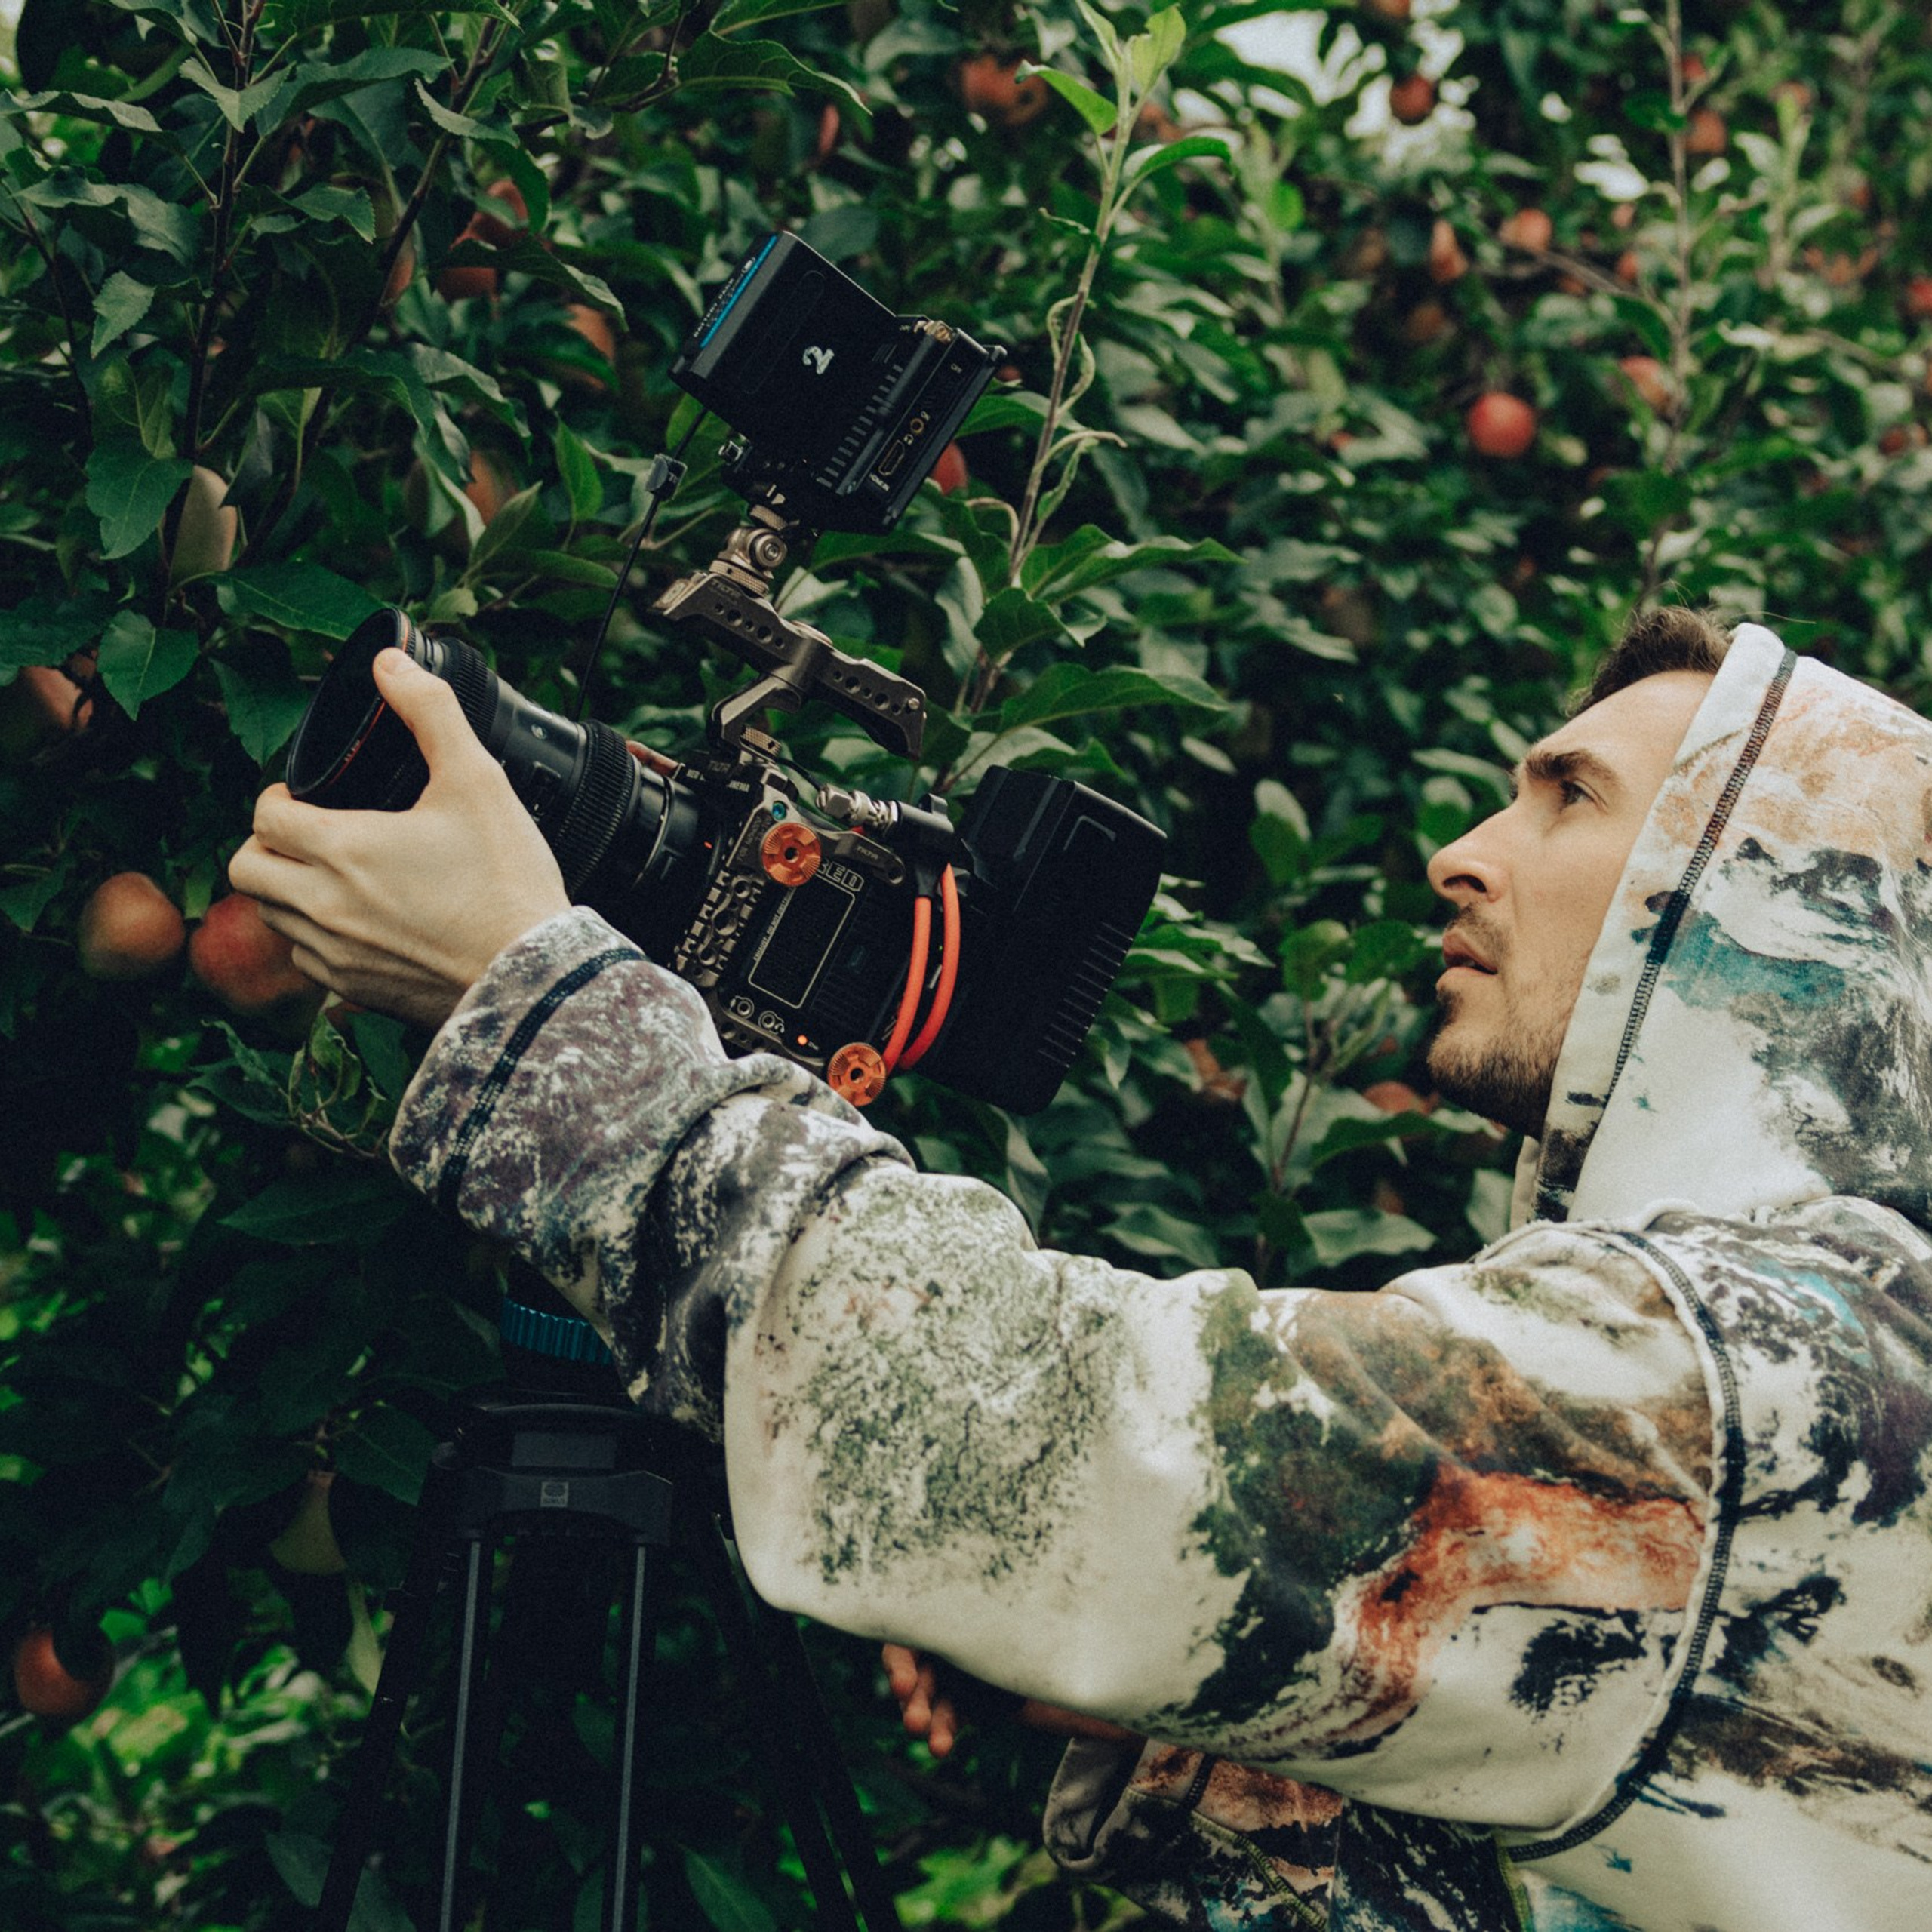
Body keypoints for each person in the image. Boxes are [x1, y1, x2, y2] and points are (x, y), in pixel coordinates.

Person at [230, 608, 1932, 1932]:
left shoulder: (1765, 1373)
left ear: (1758, 902)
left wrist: (539, 1011)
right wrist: (1195, 1686)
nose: (1464, 846)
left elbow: (1077, 1427)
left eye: (1569, 794)